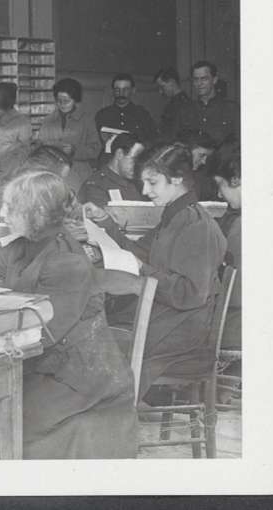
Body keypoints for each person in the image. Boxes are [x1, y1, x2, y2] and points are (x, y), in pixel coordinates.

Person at [0, 170, 138, 459]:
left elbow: (46, 331)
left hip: (79, 376)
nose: (1, 213)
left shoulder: (67, 259)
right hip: (46, 364)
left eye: (10, 207)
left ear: (36, 212)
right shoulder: (28, 243)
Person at [83, 143, 227, 399]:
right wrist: (104, 222)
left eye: (152, 183)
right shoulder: (174, 216)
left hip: (184, 328)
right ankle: (102, 414)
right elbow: (137, 252)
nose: (145, 191)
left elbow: (189, 293)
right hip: (167, 314)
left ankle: (109, 416)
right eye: (144, 183)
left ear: (176, 179)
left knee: (98, 340)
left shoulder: (196, 225)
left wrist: (143, 270)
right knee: (94, 332)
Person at [36, 77, 100, 191]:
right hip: (52, 174)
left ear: (75, 100)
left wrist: (74, 150)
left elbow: (95, 149)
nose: (62, 104)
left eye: (66, 101)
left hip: (78, 176)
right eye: (58, 101)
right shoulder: (48, 120)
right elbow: (40, 147)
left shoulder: (87, 120)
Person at [206, 141, 241, 350]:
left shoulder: (240, 226)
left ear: (235, 180)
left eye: (220, 185)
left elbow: (233, 294)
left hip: (236, 325)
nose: (219, 194)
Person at [179, 60, 240, 145]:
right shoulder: (186, 110)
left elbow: (238, 145)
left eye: (204, 79)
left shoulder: (231, 109)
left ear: (214, 80)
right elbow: (180, 142)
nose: (199, 83)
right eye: (196, 79)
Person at [77, 132, 145, 206]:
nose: (137, 165)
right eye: (134, 159)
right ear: (119, 154)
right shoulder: (96, 185)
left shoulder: (137, 185)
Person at [0, 81, 32, 178]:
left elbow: (23, 157)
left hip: (10, 176)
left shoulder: (22, 123)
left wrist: (2, 174)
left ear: (8, 106)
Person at [94, 73, 157, 145]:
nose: (121, 93)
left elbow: (153, 139)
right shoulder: (102, 115)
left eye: (125, 89)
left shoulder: (143, 114)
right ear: (112, 91)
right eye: (117, 90)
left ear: (133, 90)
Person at [153, 67, 193, 142]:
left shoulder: (183, 104)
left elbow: (175, 135)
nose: (160, 92)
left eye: (162, 87)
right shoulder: (172, 104)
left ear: (172, 82)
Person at [182, 131, 219, 201]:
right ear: (187, 151)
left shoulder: (202, 179)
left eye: (207, 157)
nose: (204, 162)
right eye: (201, 155)